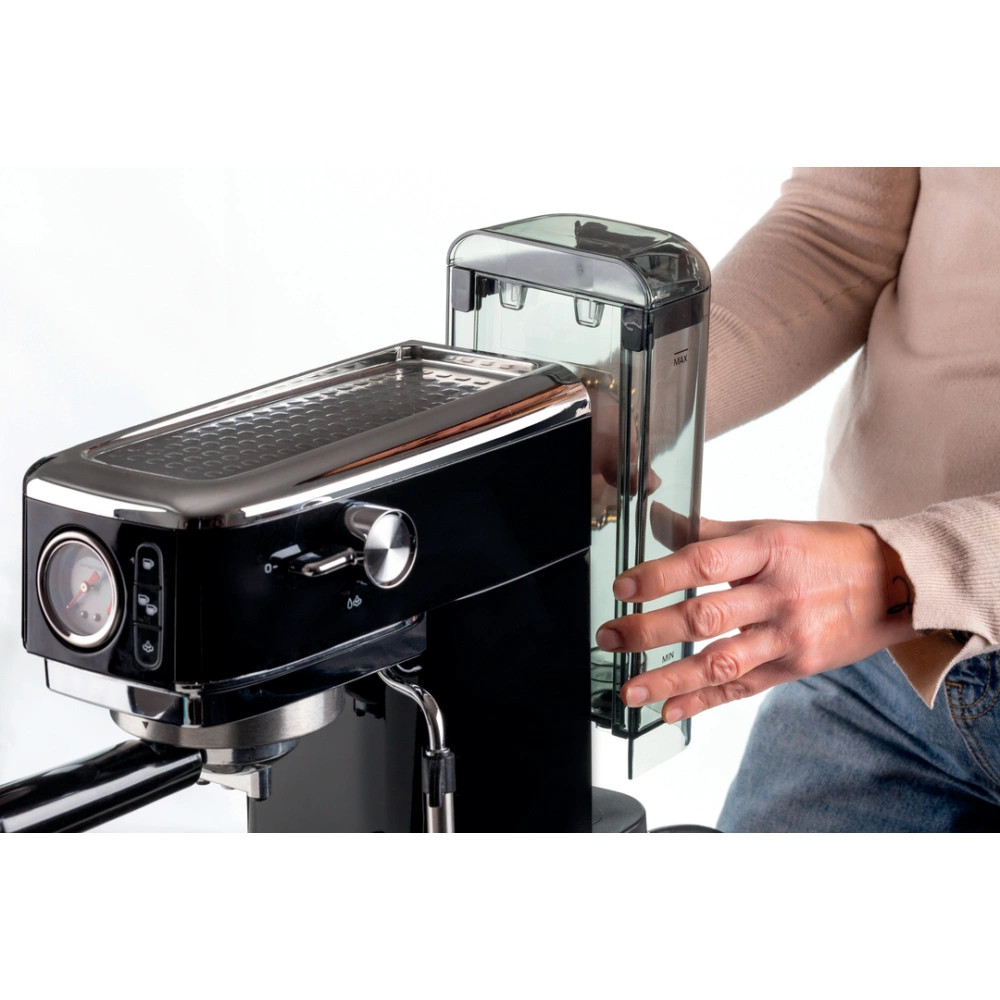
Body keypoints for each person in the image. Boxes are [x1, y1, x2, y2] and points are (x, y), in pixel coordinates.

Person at [596, 168, 1000, 832]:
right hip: (874, 647)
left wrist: (906, 570)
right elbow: (840, 231)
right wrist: (640, 403)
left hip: (877, 589)